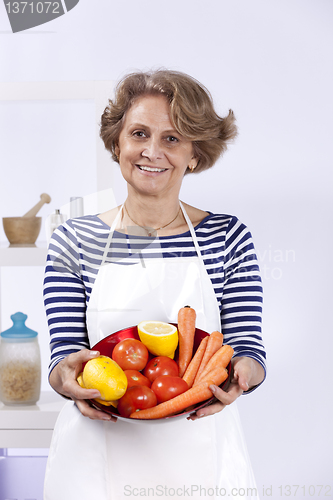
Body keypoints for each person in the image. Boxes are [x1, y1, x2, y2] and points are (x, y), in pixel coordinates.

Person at [43, 69, 266, 500]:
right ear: (117, 143)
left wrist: (245, 376)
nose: (151, 151)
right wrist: (63, 378)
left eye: (172, 138)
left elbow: (248, 347)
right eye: (139, 133)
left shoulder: (226, 237)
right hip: (96, 452)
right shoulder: (73, 240)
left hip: (201, 449)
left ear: (195, 154)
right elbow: (65, 353)